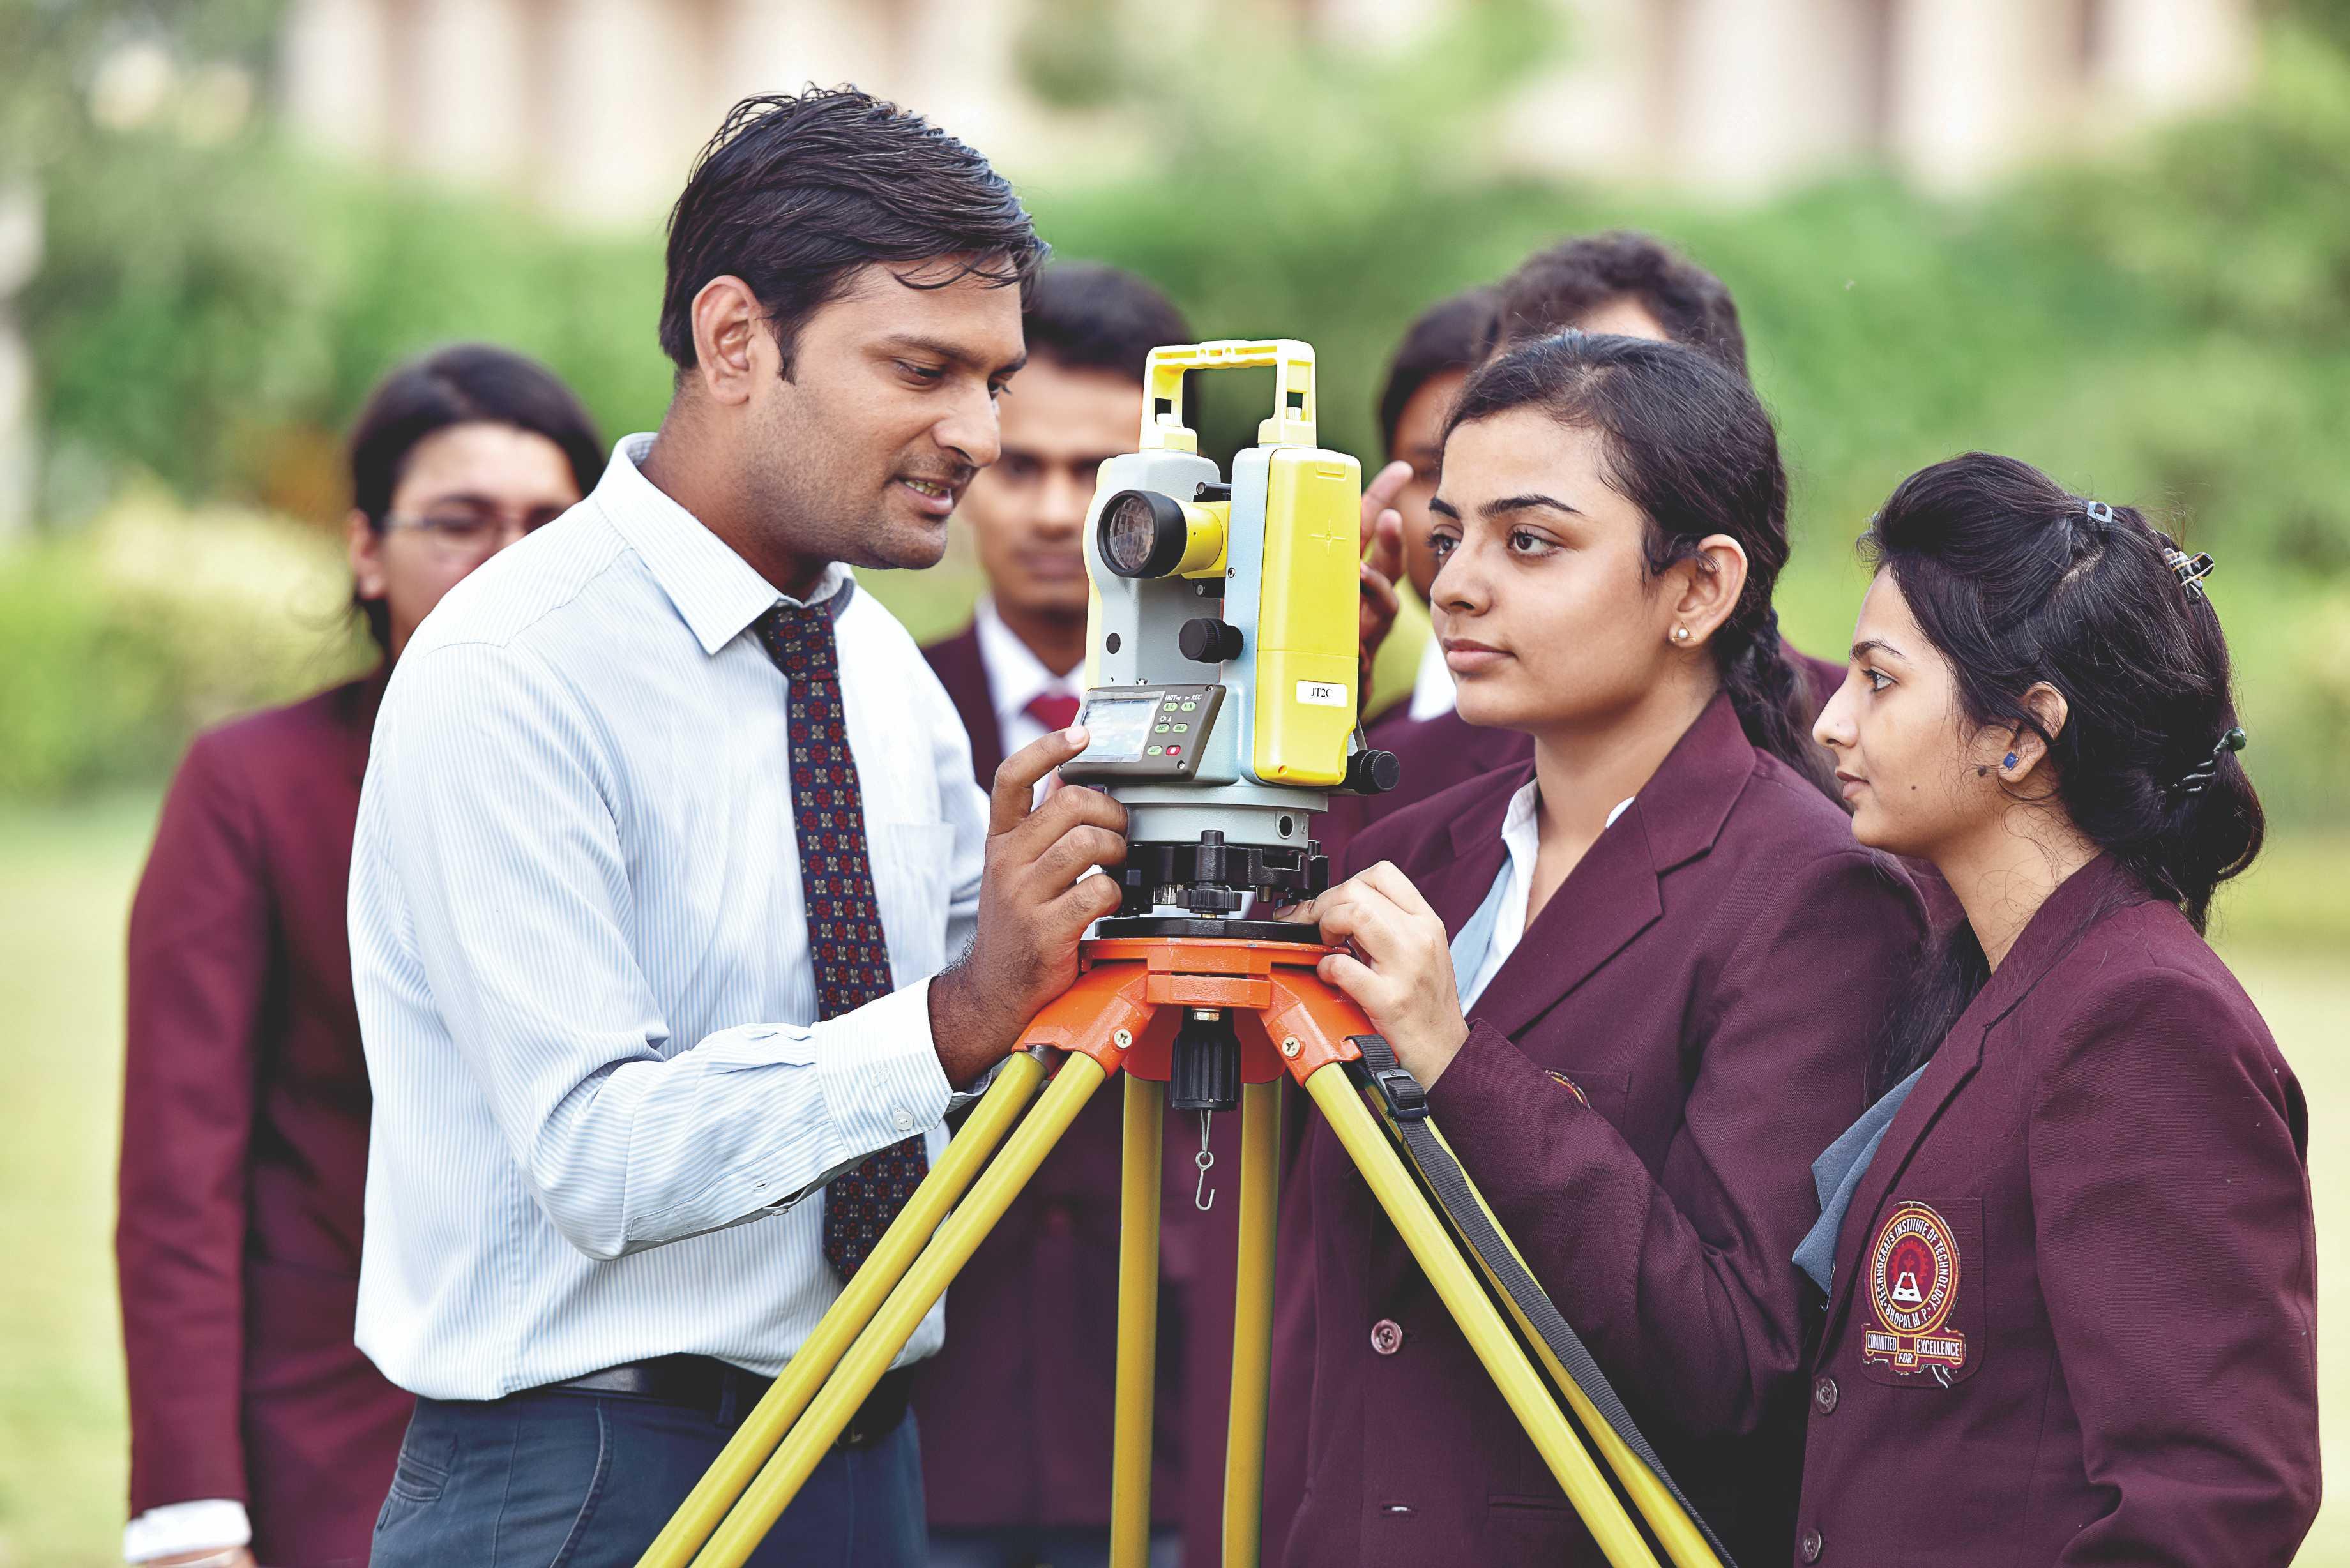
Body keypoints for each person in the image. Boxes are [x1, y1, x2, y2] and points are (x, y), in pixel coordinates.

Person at [351, 88, 1126, 1568]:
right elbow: (596, 1149)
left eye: (994, 379)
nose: (974, 433)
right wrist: (957, 1014)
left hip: (862, 1448)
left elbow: (992, 1017)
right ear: (731, 340)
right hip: (578, 1477)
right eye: (921, 367)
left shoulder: (875, 668)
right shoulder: (511, 663)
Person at [1273, 332, 1927, 1566]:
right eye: (1450, 532)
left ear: (1699, 589)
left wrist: (1459, 1063)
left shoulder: (1817, 895)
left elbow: (1740, 1360)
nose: (1458, 584)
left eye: (1531, 542)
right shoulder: (1419, 853)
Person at [117, 344, 604, 1568]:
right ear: (367, 550)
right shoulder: (250, 789)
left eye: (550, 523)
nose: (508, 559)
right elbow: (182, 1182)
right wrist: (188, 1513)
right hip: (342, 1440)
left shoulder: (661, 788)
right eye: (459, 522)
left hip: (623, 1436)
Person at [1791, 453, 2317, 1564]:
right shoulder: (2002, 974)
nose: (1834, 723)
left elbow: (2213, 1503)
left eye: (1879, 680)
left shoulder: (2143, 1018)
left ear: (2023, 736)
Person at [915, 259, 1199, 1568]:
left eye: (1097, 476)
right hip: (916, 1397)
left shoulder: (1281, 745)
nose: (1049, 510)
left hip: (1192, 1409)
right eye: (1013, 466)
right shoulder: (861, 714)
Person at [1349, 232, 1845, 840]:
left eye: (1630, 379)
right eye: (1449, 534)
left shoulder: (1854, 750)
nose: (1456, 586)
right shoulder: (1404, 777)